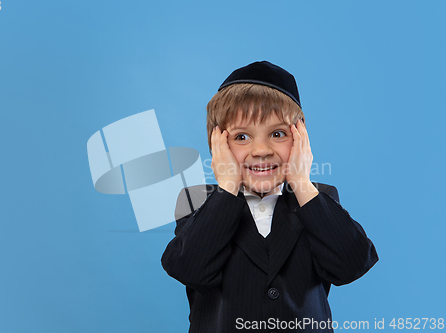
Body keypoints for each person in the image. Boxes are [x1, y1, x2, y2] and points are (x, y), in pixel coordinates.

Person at [161, 61, 378, 332]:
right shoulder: (196, 201)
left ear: (300, 140)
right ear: (217, 144)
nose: (261, 150)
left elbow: (352, 265)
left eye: (277, 134)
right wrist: (228, 187)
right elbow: (190, 269)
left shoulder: (316, 199)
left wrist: (300, 182)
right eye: (242, 137)